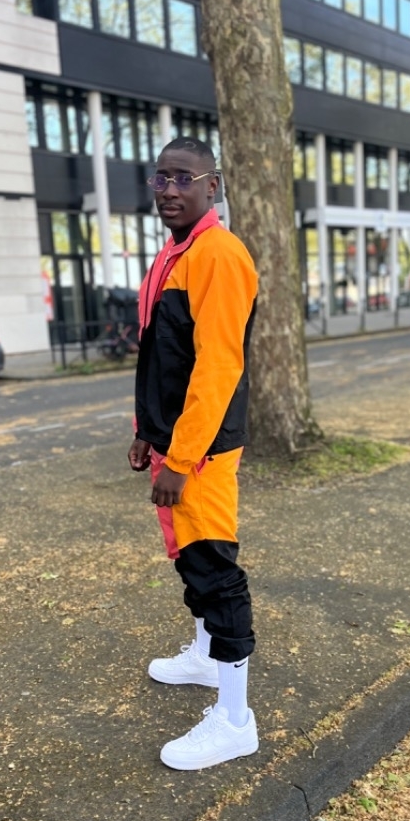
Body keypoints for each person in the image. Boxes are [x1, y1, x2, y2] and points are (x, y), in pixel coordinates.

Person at [128, 136, 259, 771]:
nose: (170, 190)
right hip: (174, 440)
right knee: (188, 558)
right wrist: (145, 431)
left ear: (214, 186)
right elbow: (160, 354)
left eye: (184, 178)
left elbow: (217, 368)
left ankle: (235, 720)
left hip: (201, 451)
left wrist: (180, 460)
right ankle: (206, 660)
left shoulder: (219, 255)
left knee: (213, 568)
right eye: (161, 178)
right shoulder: (173, 255)